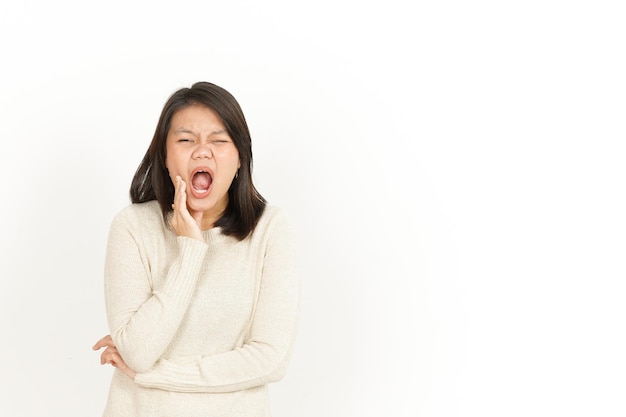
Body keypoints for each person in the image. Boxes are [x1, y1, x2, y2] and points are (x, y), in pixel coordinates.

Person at [92, 81, 299, 417]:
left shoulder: (270, 229)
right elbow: (138, 352)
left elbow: (270, 359)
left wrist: (158, 375)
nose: (203, 151)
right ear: (164, 155)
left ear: (239, 159)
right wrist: (190, 249)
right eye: (186, 140)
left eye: (219, 141)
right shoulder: (131, 227)